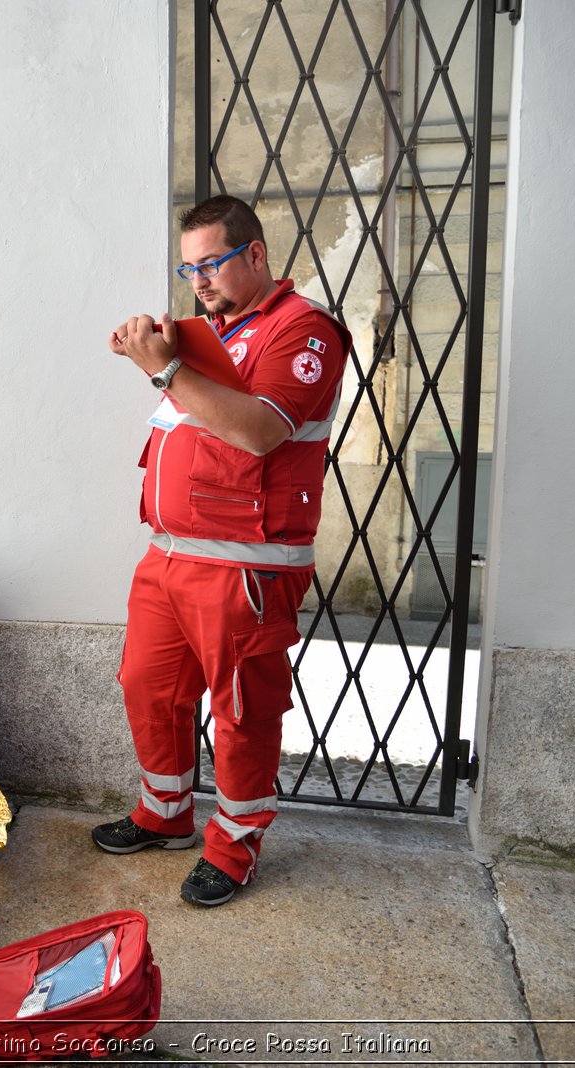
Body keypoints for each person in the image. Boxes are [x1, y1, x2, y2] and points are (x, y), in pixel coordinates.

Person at [98, 194, 349, 907]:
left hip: (246, 562)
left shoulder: (303, 332)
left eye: (212, 262)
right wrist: (155, 355)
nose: (199, 279)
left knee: (243, 711)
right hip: (170, 555)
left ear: (257, 254)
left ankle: (234, 846)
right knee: (148, 687)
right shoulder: (213, 333)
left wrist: (165, 370)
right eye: (190, 266)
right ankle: (166, 813)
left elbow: (261, 432)